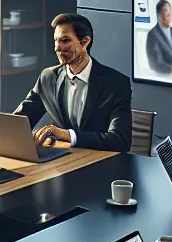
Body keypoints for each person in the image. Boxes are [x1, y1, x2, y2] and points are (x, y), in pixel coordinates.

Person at [17, 13, 133, 153]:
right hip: (60, 163)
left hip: (99, 165)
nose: (57, 47)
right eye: (56, 41)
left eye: (65, 41)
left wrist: (68, 135)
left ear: (85, 42)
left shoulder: (116, 83)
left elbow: (120, 141)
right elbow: (19, 122)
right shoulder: (48, 78)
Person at [145, 0, 172, 75]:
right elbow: (154, 64)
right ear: (159, 14)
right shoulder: (152, 35)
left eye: (169, 10)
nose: (169, 13)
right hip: (165, 76)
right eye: (165, 10)